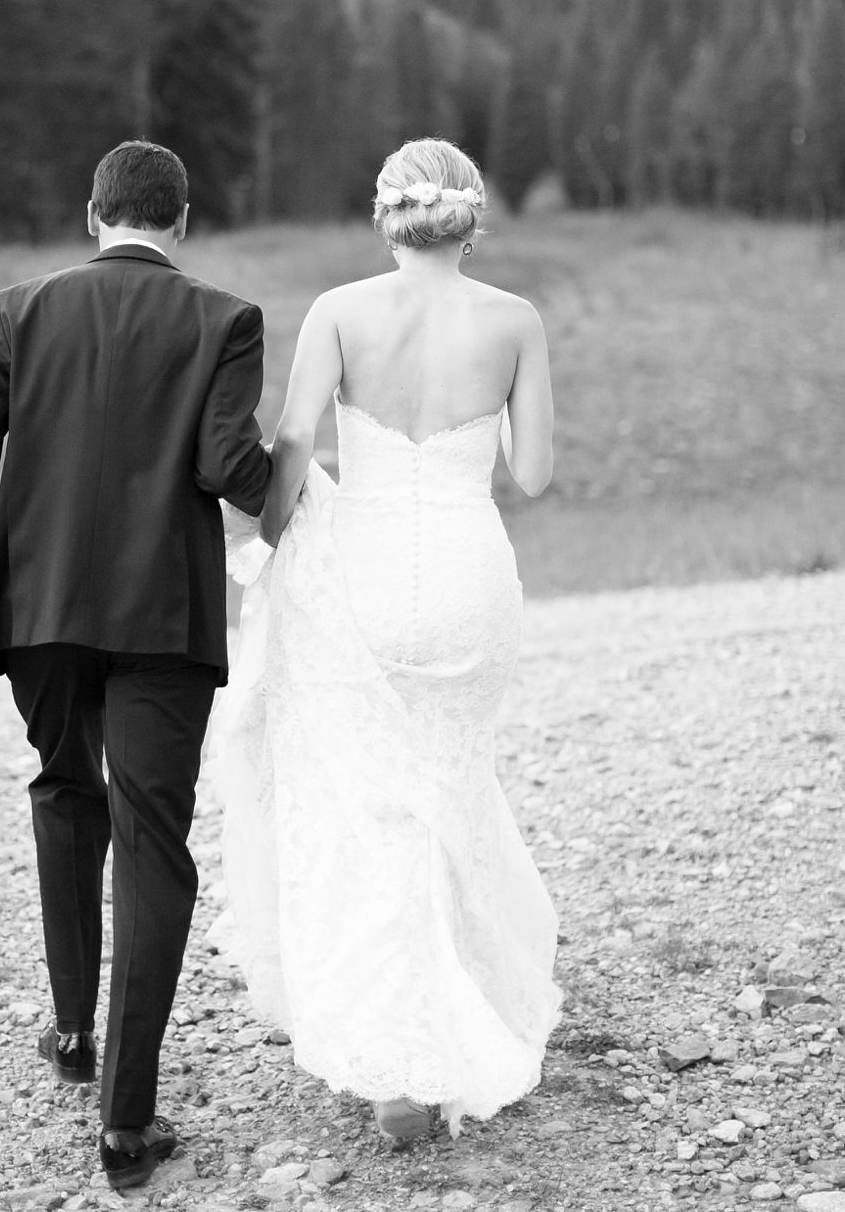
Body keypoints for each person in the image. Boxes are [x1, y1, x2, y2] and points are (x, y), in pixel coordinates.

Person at [0, 140, 271, 1191]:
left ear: (94, 215)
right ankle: (127, 1122)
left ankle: (72, 1027)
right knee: (153, 839)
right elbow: (230, 469)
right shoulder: (225, 318)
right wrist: (292, 474)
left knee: (63, 785)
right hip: (162, 614)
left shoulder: (16, 308)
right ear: (181, 219)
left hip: (41, 602)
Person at [212, 136, 561, 1143]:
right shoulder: (515, 321)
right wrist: (478, 421)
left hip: (358, 576)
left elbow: (289, 449)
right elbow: (531, 474)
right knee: (451, 787)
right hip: (466, 572)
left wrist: (268, 552)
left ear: (387, 212)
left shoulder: (337, 311)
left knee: (366, 804)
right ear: (472, 215)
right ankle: (461, 1019)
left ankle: (392, 1053)